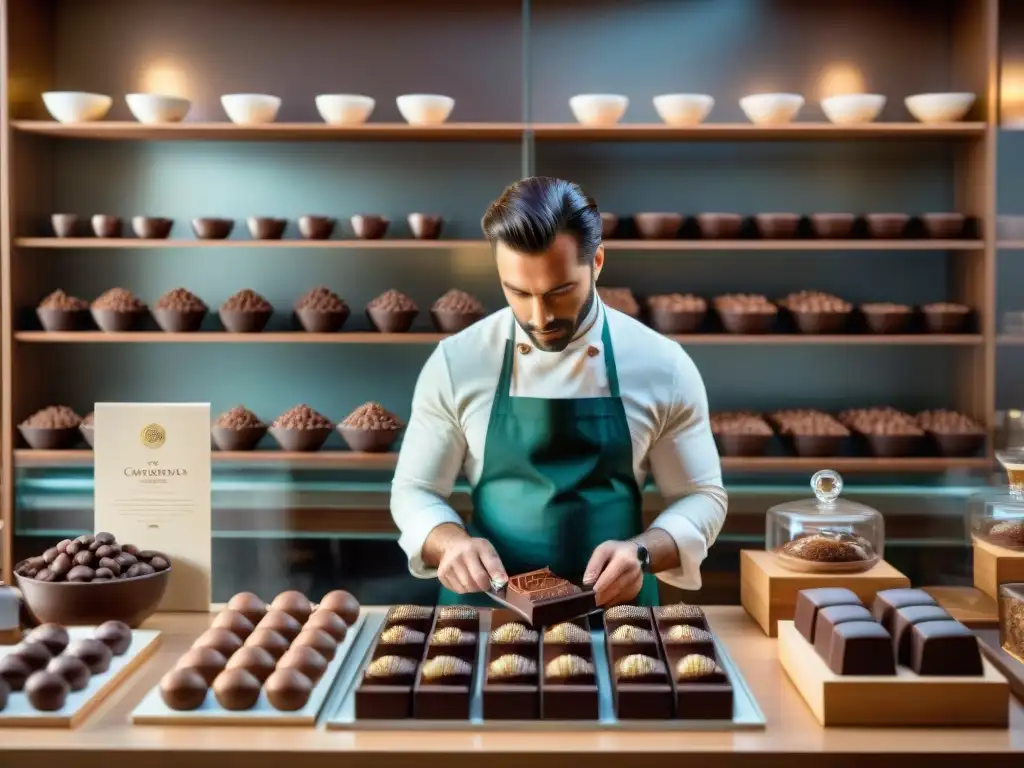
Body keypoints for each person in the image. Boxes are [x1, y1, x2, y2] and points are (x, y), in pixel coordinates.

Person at [390, 176, 727, 607]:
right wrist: (449, 541)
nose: (540, 316)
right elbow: (415, 489)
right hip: (485, 613)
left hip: (619, 616)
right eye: (517, 292)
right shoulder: (458, 361)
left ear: (598, 262)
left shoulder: (662, 365)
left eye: (560, 291)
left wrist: (641, 552)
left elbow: (701, 495)